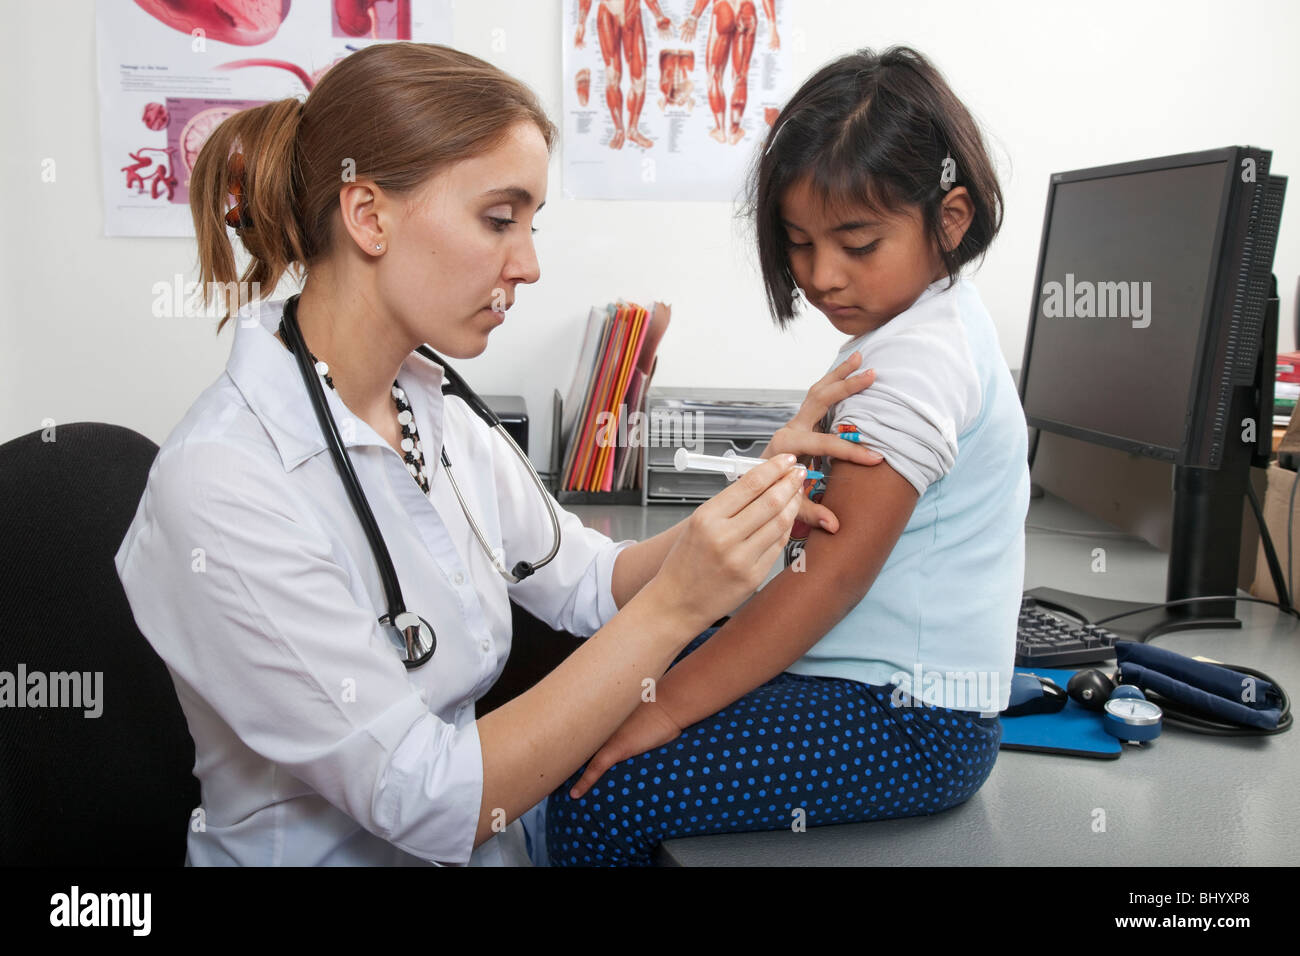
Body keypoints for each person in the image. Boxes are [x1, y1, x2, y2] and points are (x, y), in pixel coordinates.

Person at [112, 41, 884, 866]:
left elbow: (588, 581)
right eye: (498, 219)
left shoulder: (431, 406)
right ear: (369, 215)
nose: (530, 263)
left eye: (531, 224)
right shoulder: (226, 484)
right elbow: (424, 797)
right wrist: (680, 607)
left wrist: (752, 498)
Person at [546, 46, 1030, 865]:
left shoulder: (918, 360)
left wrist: (665, 711)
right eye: (800, 245)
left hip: (909, 721)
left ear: (949, 218)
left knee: (602, 796)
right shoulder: (925, 326)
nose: (821, 276)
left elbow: (830, 578)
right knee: (600, 698)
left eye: (857, 243)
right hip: (873, 689)